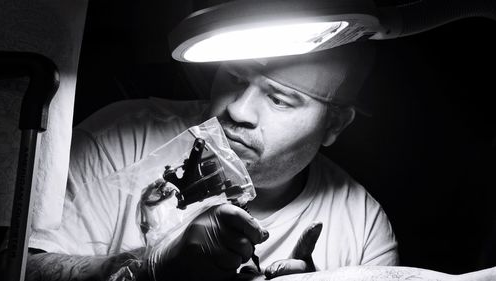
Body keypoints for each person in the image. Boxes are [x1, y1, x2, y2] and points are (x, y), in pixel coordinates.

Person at [23, 43, 400, 281]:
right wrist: (151, 267)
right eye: (234, 77)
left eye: (279, 99)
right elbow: (15, 267)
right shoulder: (122, 136)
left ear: (334, 124)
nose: (238, 109)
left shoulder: (361, 227)